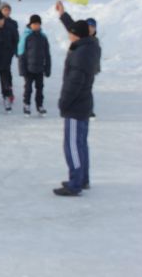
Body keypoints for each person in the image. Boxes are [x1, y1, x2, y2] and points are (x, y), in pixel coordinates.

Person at [53, 20, 100, 196]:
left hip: (76, 105)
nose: (69, 35)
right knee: (80, 143)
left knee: (72, 145)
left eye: (71, 33)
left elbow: (74, 83)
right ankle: (83, 178)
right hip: (84, 103)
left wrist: (64, 102)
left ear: (77, 35)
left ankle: (75, 183)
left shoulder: (80, 54)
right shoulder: (89, 47)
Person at [55, 1, 101, 117]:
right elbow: (71, 25)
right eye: (88, 26)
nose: (90, 29)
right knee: (80, 87)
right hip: (77, 68)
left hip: (85, 69)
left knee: (83, 88)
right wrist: (62, 13)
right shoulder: (81, 36)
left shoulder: (92, 43)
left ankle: (87, 109)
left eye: (93, 27)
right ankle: (85, 108)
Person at [17, 15, 51, 116]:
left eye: (38, 24)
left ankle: (40, 105)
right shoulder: (26, 36)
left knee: (40, 88)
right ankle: (26, 104)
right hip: (28, 69)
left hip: (40, 68)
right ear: (30, 24)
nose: (36, 26)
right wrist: (22, 69)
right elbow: (21, 53)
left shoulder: (43, 37)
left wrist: (47, 68)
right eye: (34, 24)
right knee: (28, 89)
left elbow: (47, 54)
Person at [0, 2, 19, 101]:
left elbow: (16, 38)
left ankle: (8, 90)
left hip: (8, 51)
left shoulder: (13, 23)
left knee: (6, 71)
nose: (6, 12)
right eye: (4, 10)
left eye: (8, 10)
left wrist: (16, 50)